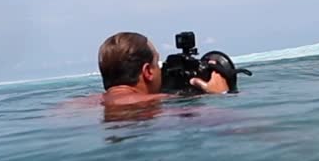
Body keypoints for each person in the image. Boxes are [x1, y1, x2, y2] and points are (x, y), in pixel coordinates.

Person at [97, 31, 229, 107]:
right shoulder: (162, 103)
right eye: (157, 64)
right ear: (148, 71)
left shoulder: (86, 104)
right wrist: (220, 94)